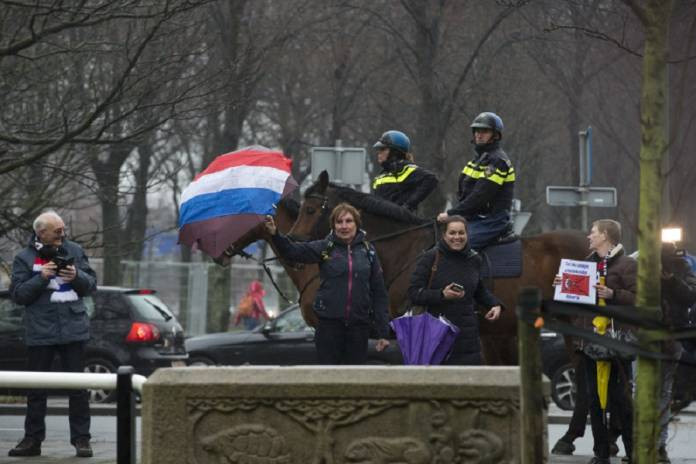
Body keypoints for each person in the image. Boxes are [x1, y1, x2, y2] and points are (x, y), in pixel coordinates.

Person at [8, 211, 97, 458]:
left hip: (73, 329)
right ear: (41, 233)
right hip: (40, 332)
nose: (62, 232)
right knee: (36, 389)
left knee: (78, 389)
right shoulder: (24, 258)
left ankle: (81, 440)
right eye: (56, 230)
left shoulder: (75, 251)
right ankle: (32, 440)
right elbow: (18, 296)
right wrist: (41, 278)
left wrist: (77, 276)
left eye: (63, 228)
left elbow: (92, 285)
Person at [552, 219, 636, 464]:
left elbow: (640, 298)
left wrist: (614, 294)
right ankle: (601, 453)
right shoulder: (586, 265)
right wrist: (564, 287)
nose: (589, 237)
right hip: (588, 342)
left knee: (620, 399)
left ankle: (633, 451)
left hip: (615, 342)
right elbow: (575, 304)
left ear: (606, 236)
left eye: (593, 233)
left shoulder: (627, 264)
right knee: (593, 399)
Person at [263, 203, 391, 364]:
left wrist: (383, 332)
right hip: (328, 327)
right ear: (333, 225)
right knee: (329, 378)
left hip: (358, 327)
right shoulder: (325, 247)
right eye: (339, 222)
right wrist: (275, 234)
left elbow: (379, 293)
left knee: (354, 379)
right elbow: (292, 251)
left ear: (356, 224)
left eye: (348, 221)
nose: (344, 226)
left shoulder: (368, 251)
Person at [407, 215, 502, 365]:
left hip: (468, 339)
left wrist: (494, 304)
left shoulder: (474, 259)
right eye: (452, 233)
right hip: (437, 335)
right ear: (444, 235)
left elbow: (479, 289)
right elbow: (413, 293)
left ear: (467, 234)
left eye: (461, 233)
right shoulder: (430, 258)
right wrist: (442, 295)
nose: (457, 237)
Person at [437, 112, 515, 250]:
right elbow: (462, 194)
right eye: (477, 131)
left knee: (458, 245)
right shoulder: (477, 160)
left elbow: (480, 196)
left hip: (492, 221)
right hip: (474, 218)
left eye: (484, 131)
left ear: (495, 135)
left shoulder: (497, 161)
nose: (479, 134)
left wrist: (451, 214)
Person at [657, 242, 696, 464]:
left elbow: (691, 295)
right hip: (644, 334)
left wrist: (671, 280)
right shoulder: (640, 266)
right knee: (638, 390)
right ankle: (637, 443)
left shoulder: (682, 267)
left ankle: (659, 445)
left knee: (664, 391)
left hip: (674, 336)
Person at [372, 130, 438, 211]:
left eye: (383, 149)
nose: (379, 152)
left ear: (394, 152)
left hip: (401, 222)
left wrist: (408, 205)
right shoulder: (379, 176)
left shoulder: (407, 169)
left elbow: (431, 179)